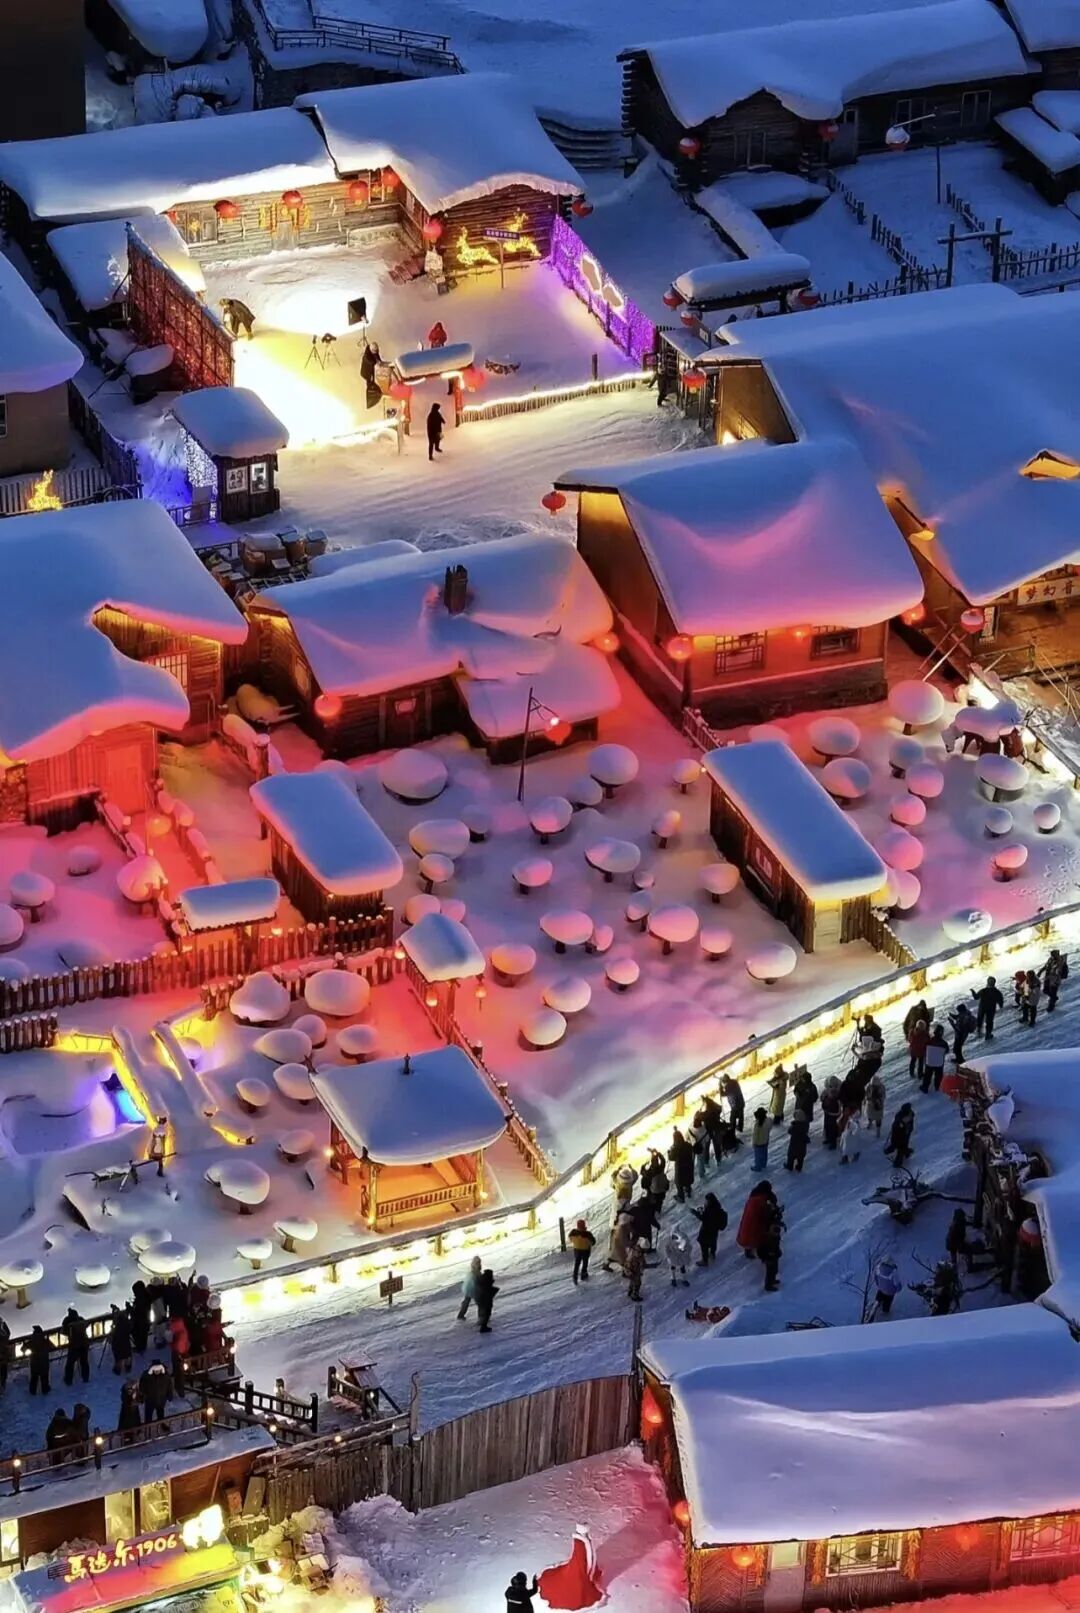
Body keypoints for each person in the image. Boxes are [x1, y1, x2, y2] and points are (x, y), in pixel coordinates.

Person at [539, 1523, 603, 1610]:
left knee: (582, 1563)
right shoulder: (581, 1543)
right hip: (580, 1568)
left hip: (583, 1553)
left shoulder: (583, 1542)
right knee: (580, 1567)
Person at [737, 1181, 774, 1261]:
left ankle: (749, 1249)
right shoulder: (761, 1201)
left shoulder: (751, 1200)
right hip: (752, 1239)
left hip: (742, 1236)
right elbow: (766, 1217)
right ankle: (765, 1255)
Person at [691, 1192, 727, 1266]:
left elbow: (703, 1218)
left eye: (706, 1200)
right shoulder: (716, 1207)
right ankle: (712, 1254)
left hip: (706, 1231)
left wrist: (695, 1213)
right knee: (713, 1242)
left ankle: (705, 1261)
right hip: (714, 1231)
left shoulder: (710, 1210)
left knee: (704, 1245)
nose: (705, 1202)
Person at [758, 1194, 783, 1292]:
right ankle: (768, 1285)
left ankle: (772, 1281)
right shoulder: (768, 1237)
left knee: (774, 1269)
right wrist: (769, 1254)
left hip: (773, 1252)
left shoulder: (773, 1235)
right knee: (770, 1269)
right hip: (769, 1253)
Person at [62, 1307, 90, 1386]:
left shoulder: (68, 1322)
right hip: (84, 1343)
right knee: (84, 1361)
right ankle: (86, 1377)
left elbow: (63, 1331)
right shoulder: (81, 1320)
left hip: (74, 1345)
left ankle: (68, 1380)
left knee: (70, 1363)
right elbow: (87, 1324)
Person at [139, 1359, 173, 1424]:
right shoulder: (147, 1376)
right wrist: (142, 1396)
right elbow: (142, 1386)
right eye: (155, 1370)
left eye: (158, 1370)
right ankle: (148, 1427)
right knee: (148, 1417)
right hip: (150, 1400)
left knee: (161, 1415)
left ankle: (161, 1424)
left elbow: (169, 1386)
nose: (157, 1371)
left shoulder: (165, 1376)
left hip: (161, 1400)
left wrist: (170, 1395)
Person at [603, 1207, 635, 1273]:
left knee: (614, 1256)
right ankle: (626, 1271)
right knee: (622, 1258)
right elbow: (623, 1240)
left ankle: (606, 1265)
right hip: (619, 1245)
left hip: (616, 1243)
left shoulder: (619, 1224)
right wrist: (629, 1243)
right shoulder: (622, 1228)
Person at [972, 976, 1004, 1040]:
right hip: (991, 1009)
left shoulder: (983, 990)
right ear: (994, 983)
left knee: (980, 1019)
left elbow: (976, 997)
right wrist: (1000, 1005)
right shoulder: (997, 992)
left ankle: (979, 1031)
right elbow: (1000, 1000)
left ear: (987, 983)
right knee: (989, 1021)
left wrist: (973, 992)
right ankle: (988, 1034)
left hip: (982, 1007)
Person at [669, 1128, 695, 1202]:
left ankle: (681, 1197)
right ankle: (688, 1191)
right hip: (689, 1166)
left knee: (679, 1183)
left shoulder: (675, 1149)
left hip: (680, 1169)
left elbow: (671, 1158)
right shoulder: (687, 1145)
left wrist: (670, 1151)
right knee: (687, 1180)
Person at [921, 1025, 949, 1092]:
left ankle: (925, 1087)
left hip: (930, 1062)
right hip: (939, 1063)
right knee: (938, 1075)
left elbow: (924, 1048)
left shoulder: (929, 1041)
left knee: (927, 1075)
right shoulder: (944, 1043)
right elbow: (947, 1051)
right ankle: (937, 1086)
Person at [568, 1219, 596, 1284]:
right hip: (585, 1251)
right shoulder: (588, 1234)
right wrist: (588, 1243)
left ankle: (575, 1277)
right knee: (585, 1263)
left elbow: (570, 1238)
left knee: (577, 1263)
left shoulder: (573, 1232)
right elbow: (593, 1242)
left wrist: (576, 1241)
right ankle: (583, 1274)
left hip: (577, 1250)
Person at [946, 1208, 974, 1272]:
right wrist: (961, 1246)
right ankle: (970, 1268)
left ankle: (954, 1265)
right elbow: (955, 1239)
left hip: (952, 1243)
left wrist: (973, 1223)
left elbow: (965, 1223)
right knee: (969, 1250)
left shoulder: (958, 1222)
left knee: (954, 1254)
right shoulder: (955, 1227)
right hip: (953, 1243)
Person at [785, 1106, 810, 1172]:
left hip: (794, 1145)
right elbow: (805, 1136)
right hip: (802, 1147)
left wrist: (792, 1124)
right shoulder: (805, 1126)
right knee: (800, 1158)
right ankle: (799, 1167)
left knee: (791, 1156)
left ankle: (789, 1166)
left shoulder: (794, 1127)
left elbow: (789, 1131)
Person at [456, 1255, 482, 1320]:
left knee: (466, 1301)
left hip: (468, 1288)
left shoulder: (471, 1272)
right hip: (474, 1289)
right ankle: (481, 1317)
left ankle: (460, 1315)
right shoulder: (477, 1272)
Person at [28, 1324, 51, 1395]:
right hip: (44, 1362)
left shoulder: (31, 1341)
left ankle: (32, 1391)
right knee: (44, 1377)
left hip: (34, 1363)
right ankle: (45, 1389)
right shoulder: (45, 1341)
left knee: (34, 1377)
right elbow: (51, 1346)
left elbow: (22, 1349)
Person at [109, 1305, 132, 1376]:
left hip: (118, 1343)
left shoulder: (117, 1323)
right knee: (127, 1355)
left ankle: (118, 1369)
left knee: (119, 1356)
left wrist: (111, 1335)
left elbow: (113, 1333)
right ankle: (128, 1367)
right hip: (126, 1341)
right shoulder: (125, 1320)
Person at [130, 1280, 151, 1354]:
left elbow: (138, 1311)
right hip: (143, 1321)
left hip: (141, 1322)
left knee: (139, 1334)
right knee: (141, 1334)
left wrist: (130, 1309)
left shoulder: (141, 1299)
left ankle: (140, 1347)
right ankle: (140, 1346)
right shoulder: (145, 1296)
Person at [820, 1077, 842, 1150]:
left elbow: (840, 1102)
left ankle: (833, 1142)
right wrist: (824, 1098)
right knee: (827, 1126)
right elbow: (821, 1097)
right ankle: (828, 1138)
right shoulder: (826, 1090)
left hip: (835, 1113)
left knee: (833, 1127)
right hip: (827, 1112)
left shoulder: (839, 1090)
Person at [906, 1016, 929, 1083]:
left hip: (912, 1049)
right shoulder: (924, 1034)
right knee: (920, 1062)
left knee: (913, 1061)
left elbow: (909, 1039)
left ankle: (911, 1072)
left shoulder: (911, 1031)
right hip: (920, 1051)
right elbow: (927, 1041)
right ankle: (920, 1074)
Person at [475, 1268, 498, 1332]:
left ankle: (482, 1323)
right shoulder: (487, 1281)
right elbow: (488, 1291)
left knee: (483, 1311)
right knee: (487, 1312)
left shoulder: (481, 1280)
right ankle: (483, 1327)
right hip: (486, 1300)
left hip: (481, 1299)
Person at [169, 1313, 190, 1383]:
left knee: (177, 1364)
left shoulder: (176, 1329)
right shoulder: (182, 1329)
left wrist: (170, 1344)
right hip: (183, 1349)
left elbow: (177, 1345)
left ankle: (178, 1377)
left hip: (178, 1351)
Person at [624, 1237, 647, 1302]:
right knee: (637, 1283)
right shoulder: (639, 1253)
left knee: (632, 1281)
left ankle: (630, 1291)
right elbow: (642, 1263)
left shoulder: (634, 1249)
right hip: (633, 1270)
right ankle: (634, 1295)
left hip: (628, 1268)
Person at [751, 1107, 772, 1171]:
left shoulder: (757, 1125)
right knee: (764, 1154)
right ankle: (763, 1164)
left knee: (758, 1156)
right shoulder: (768, 1121)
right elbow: (770, 1127)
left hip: (758, 1143)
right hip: (766, 1141)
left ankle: (757, 1167)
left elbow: (755, 1135)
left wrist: (754, 1143)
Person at [866, 1072, 886, 1137]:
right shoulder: (868, 1087)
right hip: (870, 1106)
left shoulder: (882, 1087)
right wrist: (870, 1101)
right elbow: (866, 1096)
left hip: (879, 1106)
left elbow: (883, 1096)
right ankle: (870, 1123)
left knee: (878, 1119)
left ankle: (878, 1130)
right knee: (870, 1116)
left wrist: (879, 1101)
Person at [0, 1312, 9, 1391]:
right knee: (3, 1373)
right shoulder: (4, 1334)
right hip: (3, 1358)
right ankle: (3, 1386)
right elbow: (8, 1333)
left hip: (3, 1357)